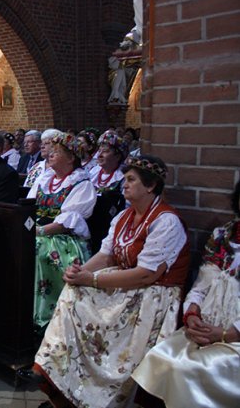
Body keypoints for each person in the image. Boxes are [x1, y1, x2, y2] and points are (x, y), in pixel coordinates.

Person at [19, 155, 190, 408]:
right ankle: (55, 375)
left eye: (131, 179)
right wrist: (80, 273)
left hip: (152, 292)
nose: (125, 184)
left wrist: (93, 279)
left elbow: (147, 273)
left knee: (86, 300)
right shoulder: (123, 216)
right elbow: (106, 253)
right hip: (127, 283)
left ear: (151, 186)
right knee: (73, 290)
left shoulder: (166, 221)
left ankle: (91, 393)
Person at [132, 180, 240, 408]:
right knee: (159, 356)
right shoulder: (222, 236)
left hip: (233, 335)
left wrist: (224, 333)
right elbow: (202, 284)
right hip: (205, 325)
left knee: (188, 369)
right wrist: (192, 315)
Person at [26, 132, 97, 330]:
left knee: (37, 250)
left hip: (62, 238)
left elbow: (66, 222)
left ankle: (45, 315)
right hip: (38, 230)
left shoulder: (82, 184)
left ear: (71, 157)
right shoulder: (44, 180)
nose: (49, 154)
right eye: (50, 150)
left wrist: (37, 231)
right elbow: (28, 207)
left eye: (56, 151)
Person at [87, 130, 129, 253]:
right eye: (99, 151)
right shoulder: (93, 172)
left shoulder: (123, 176)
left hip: (110, 226)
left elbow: (126, 207)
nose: (99, 155)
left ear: (118, 155)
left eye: (105, 151)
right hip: (90, 223)